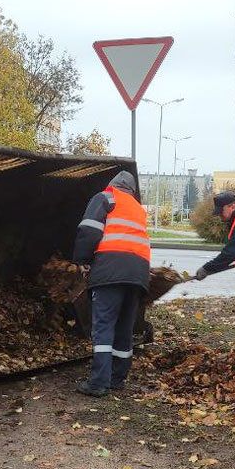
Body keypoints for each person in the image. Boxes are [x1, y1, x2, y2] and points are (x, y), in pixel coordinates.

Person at [73, 170, 150, 397]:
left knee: (104, 327)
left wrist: (83, 260)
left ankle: (98, 383)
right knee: (124, 328)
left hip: (110, 272)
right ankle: (117, 379)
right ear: (133, 191)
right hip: (137, 276)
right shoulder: (138, 209)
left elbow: (89, 231)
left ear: (112, 185)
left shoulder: (106, 198)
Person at [193, 191, 235, 341]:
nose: (219, 215)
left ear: (232, 206)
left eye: (221, 211)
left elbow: (229, 253)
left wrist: (207, 268)